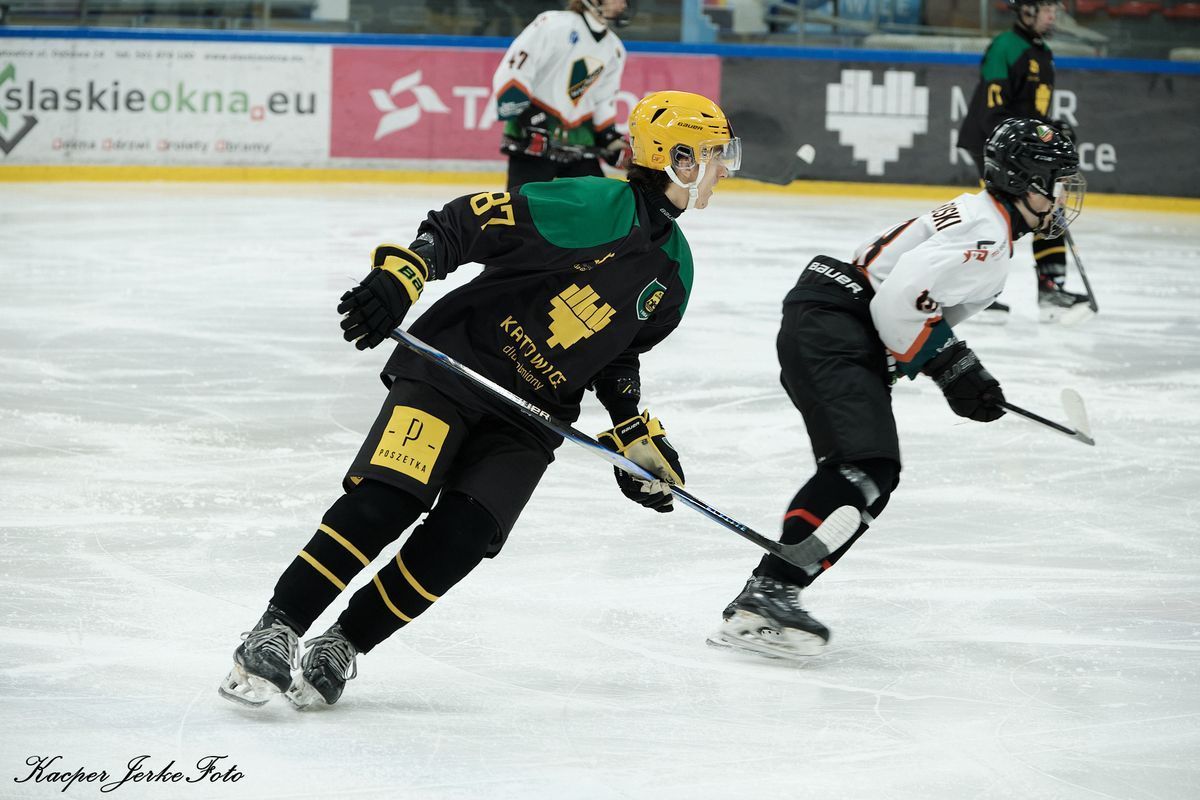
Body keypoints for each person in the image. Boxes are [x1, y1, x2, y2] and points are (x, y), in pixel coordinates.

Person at [218, 91, 741, 708]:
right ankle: (278, 626)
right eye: (712, 154)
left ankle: (344, 643)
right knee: (388, 500)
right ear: (675, 158)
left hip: (531, 418)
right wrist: (406, 272)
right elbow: (468, 221)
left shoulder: (676, 271)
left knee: (466, 536)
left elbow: (617, 350)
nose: (722, 168)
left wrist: (632, 431)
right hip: (458, 368)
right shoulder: (597, 205)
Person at [710, 118, 1084, 660]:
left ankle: (769, 593)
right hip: (835, 327)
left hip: (833, 323)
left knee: (872, 475)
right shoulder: (987, 238)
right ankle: (768, 593)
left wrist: (953, 367)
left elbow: (908, 302)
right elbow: (898, 301)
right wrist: (955, 368)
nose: (1062, 198)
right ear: (1024, 182)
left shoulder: (984, 221)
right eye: (1055, 184)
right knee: (862, 467)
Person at [957, 0, 1090, 322]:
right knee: (1000, 214)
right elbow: (992, 111)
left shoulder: (1042, 51)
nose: (1053, 16)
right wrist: (1025, 141)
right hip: (993, 142)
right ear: (1027, 11)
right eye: (1046, 9)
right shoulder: (1005, 46)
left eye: (1054, 10)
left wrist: (1050, 128)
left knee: (1050, 208)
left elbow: (1030, 111)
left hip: (1022, 145)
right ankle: (974, 292)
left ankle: (1051, 288)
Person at [492, 0, 633, 190]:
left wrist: (608, 137)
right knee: (522, 206)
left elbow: (603, 100)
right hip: (533, 139)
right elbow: (514, 70)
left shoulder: (614, 49)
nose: (623, 4)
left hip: (579, 143)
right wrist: (526, 114)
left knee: (596, 204)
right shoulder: (553, 24)